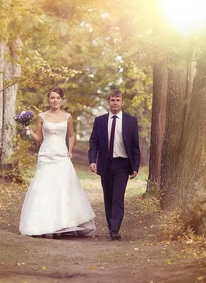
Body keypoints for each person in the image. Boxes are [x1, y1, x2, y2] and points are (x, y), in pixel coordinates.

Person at [19, 87, 96, 238]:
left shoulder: (68, 117)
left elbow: (71, 135)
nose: (55, 100)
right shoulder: (41, 116)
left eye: (57, 98)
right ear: (48, 100)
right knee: (44, 189)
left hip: (61, 155)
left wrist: (70, 150)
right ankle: (42, 224)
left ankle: (63, 223)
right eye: (52, 98)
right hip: (46, 155)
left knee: (62, 188)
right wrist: (27, 129)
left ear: (62, 100)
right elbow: (38, 138)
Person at [88, 90, 141, 241]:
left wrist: (135, 166)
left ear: (122, 102)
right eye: (112, 100)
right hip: (105, 163)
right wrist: (92, 160)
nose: (115, 102)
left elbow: (135, 146)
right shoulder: (100, 121)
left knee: (118, 197)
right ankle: (111, 225)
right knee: (108, 196)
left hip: (122, 164)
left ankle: (115, 229)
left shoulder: (131, 121)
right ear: (108, 102)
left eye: (118, 100)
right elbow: (94, 142)